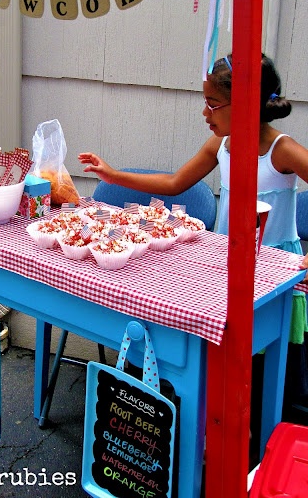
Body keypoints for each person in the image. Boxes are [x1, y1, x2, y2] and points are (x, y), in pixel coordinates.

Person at [79, 53, 308, 420]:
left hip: (274, 277)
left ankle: (259, 450)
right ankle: (212, 439)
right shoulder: (222, 146)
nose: (205, 113)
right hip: (227, 269)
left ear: (247, 103)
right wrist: (114, 175)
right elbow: (174, 183)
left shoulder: (282, 151)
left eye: (213, 104)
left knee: (266, 379)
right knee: (224, 368)